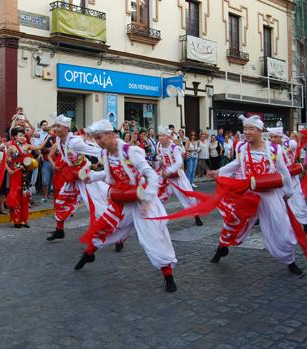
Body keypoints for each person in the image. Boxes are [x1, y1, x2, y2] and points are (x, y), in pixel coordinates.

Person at [78, 119, 179, 293]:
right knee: (106, 226)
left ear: (110, 134)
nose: (98, 142)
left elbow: (150, 175)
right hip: (123, 201)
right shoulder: (106, 154)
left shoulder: (130, 152)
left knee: (153, 237)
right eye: (95, 138)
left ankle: (168, 275)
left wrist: (147, 199)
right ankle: (89, 254)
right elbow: (108, 175)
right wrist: (92, 177)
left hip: (142, 200)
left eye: (99, 137)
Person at [211, 115, 304, 276]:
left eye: (250, 129)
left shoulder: (275, 150)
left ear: (260, 131)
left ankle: (290, 260)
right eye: (245, 129)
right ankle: (222, 248)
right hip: (248, 193)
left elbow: (283, 172)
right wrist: (219, 172)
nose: (246, 132)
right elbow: (235, 164)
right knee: (234, 222)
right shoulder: (241, 147)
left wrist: (288, 193)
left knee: (281, 226)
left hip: (270, 194)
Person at [46, 115, 108, 241]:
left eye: (58, 126)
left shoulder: (75, 142)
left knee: (96, 206)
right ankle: (59, 230)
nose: (55, 128)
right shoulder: (58, 140)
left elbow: (95, 150)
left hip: (85, 177)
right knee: (61, 201)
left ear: (66, 128)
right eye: (55, 125)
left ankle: (117, 236)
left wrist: (108, 157)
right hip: (73, 177)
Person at [155, 126, 203, 226]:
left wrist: (169, 170)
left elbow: (179, 162)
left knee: (189, 196)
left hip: (178, 176)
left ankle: (196, 215)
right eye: (159, 136)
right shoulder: (159, 146)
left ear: (168, 137)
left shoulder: (174, 148)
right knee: (157, 195)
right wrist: (156, 162)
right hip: (168, 179)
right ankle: (158, 218)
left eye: (163, 136)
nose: (160, 138)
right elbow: (160, 159)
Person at [267, 127, 307, 235]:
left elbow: (301, 144)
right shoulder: (269, 148)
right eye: (271, 137)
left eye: (275, 137)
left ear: (281, 137)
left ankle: (304, 224)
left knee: (298, 200)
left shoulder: (289, 144)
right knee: (278, 201)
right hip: (278, 178)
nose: (273, 139)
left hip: (292, 177)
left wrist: (301, 137)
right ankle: (283, 225)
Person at [5, 127, 45, 228]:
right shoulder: (11, 148)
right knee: (16, 196)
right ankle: (16, 220)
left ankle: (24, 220)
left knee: (25, 196)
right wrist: (9, 170)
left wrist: (48, 137)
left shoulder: (27, 146)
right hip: (15, 174)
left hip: (25, 174)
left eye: (23, 135)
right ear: (14, 137)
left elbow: (40, 147)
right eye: (20, 135)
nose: (22, 137)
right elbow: (4, 161)